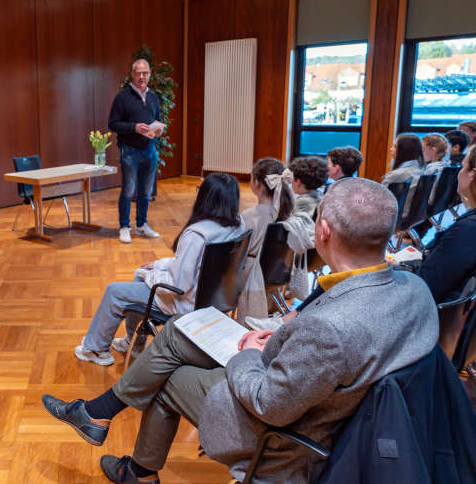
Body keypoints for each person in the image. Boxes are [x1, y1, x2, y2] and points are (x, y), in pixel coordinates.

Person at [42, 178, 438, 484]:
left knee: (168, 377)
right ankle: (103, 423)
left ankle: (122, 448)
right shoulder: (415, 289)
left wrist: (250, 351)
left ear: (325, 231)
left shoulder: (330, 331)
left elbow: (270, 403)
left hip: (290, 435)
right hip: (344, 408)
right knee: (178, 329)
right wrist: (289, 329)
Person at [73, 173, 246, 366]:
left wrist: (151, 275)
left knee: (115, 291)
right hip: (215, 298)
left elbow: (180, 285)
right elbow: (197, 267)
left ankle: (96, 349)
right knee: (139, 279)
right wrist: (157, 266)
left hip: (184, 303)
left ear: (205, 197)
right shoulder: (238, 225)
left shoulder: (196, 234)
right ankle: (134, 343)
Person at [417, 141, 476, 304]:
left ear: (472, 174)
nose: (459, 173)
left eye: (463, 167)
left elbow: (424, 288)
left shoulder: (473, 230)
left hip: (439, 321)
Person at [109, 59, 162, 244]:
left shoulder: (154, 97)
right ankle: (124, 227)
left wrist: (158, 130)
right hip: (129, 151)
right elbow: (113, 124)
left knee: (146, 191)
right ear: (132, 74)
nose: (142, 77)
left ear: (149, 74)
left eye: (145, 73)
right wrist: (133, 127)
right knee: (128, 191)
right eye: (138, 73)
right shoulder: (122, 97)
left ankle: (141, 225)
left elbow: (157, 119)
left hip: (150, 150)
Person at [236, 158, 294, 321]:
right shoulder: (289, 214)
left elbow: (237, 254)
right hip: (278, 275)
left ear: (257, 183)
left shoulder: (249, 217)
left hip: (251, 276)